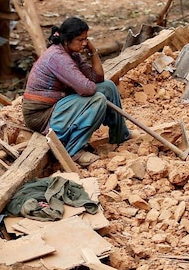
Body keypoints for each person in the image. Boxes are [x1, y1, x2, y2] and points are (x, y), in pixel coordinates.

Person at [22, 17, 130, 166]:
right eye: (80, 40)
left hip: (58, 104)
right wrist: (87, 85)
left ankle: (120, 136)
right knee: (97, 98)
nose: (85, 43)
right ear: (66, 40)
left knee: (108, 86)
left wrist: (94, 52)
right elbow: (88, 89)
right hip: (42, 114)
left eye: (86, 39)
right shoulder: (57, 57)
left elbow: (97, 78)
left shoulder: (72, 55)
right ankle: (74, 151)